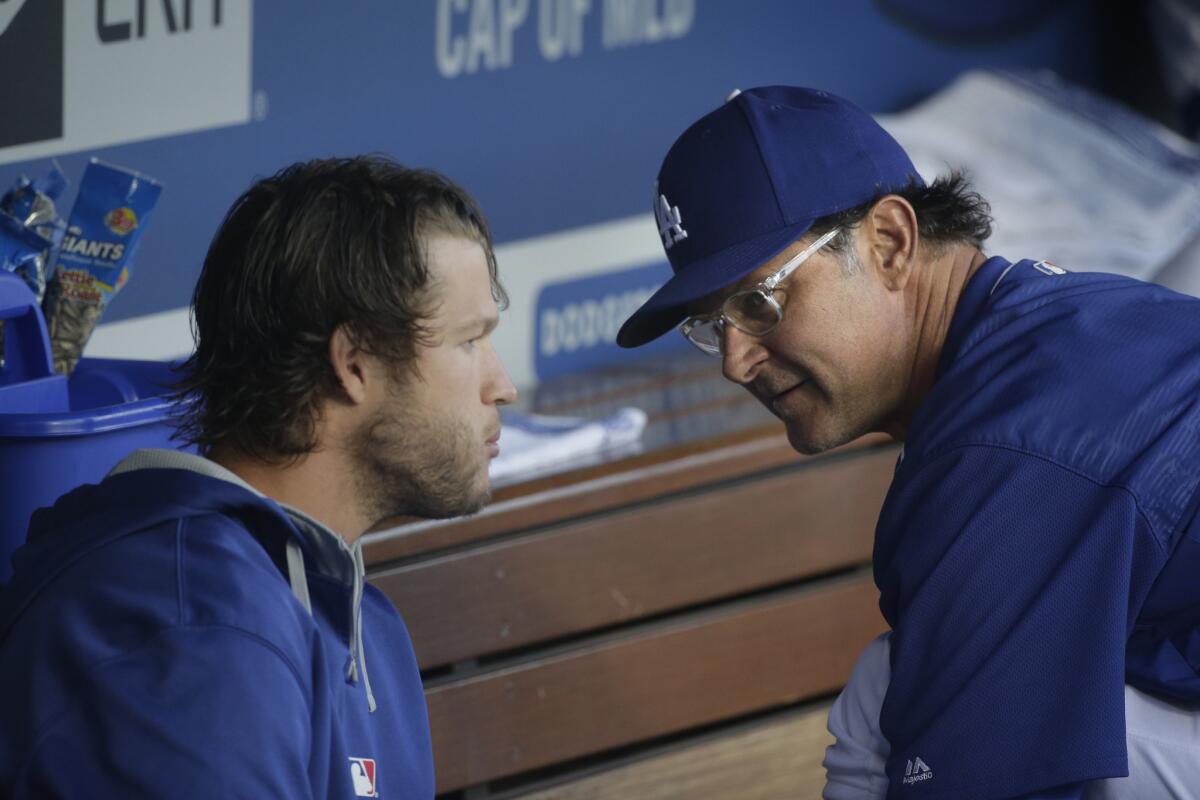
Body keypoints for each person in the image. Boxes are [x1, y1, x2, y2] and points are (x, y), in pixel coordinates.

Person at [617, 86, 1200, 799]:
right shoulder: (1045, 335)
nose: (736, 361)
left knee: (893, 704)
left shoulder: (1005, 448)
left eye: (758, 303)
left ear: (890, 242)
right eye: (711, 325)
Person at [0, 156, 517, 798]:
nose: (504, 386)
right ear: (354, 364)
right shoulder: (193, 629)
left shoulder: (355, 616)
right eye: (469, 341)